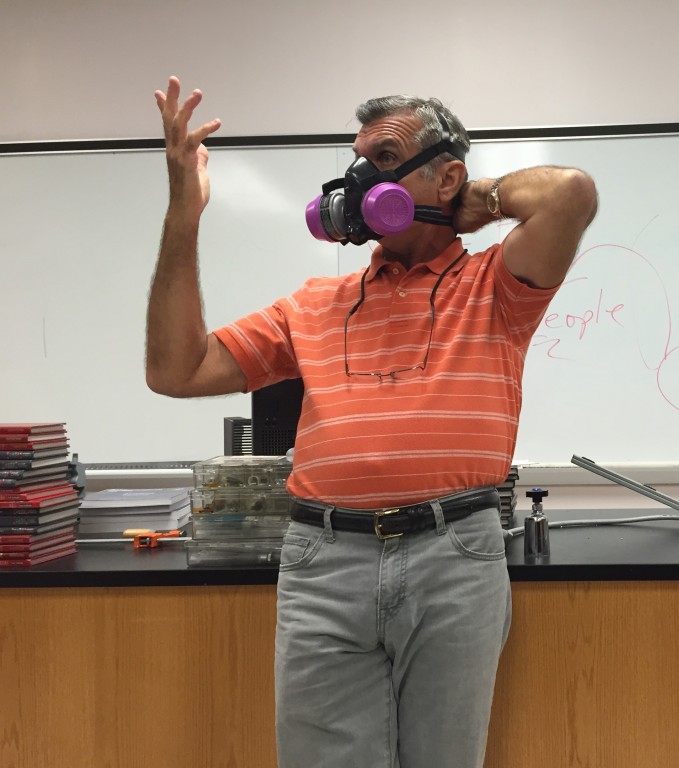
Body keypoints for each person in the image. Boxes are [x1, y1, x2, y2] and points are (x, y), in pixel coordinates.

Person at [146, 76, 598, 768]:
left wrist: (467, 201)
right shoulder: (314, 303)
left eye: (382, 161)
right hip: (324, 562)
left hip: (454, 557)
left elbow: (569, 194)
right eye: (356, 160)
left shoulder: (495, 288)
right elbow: (176, 371)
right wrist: (185, 214)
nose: (358, 181)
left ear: (445, 174)